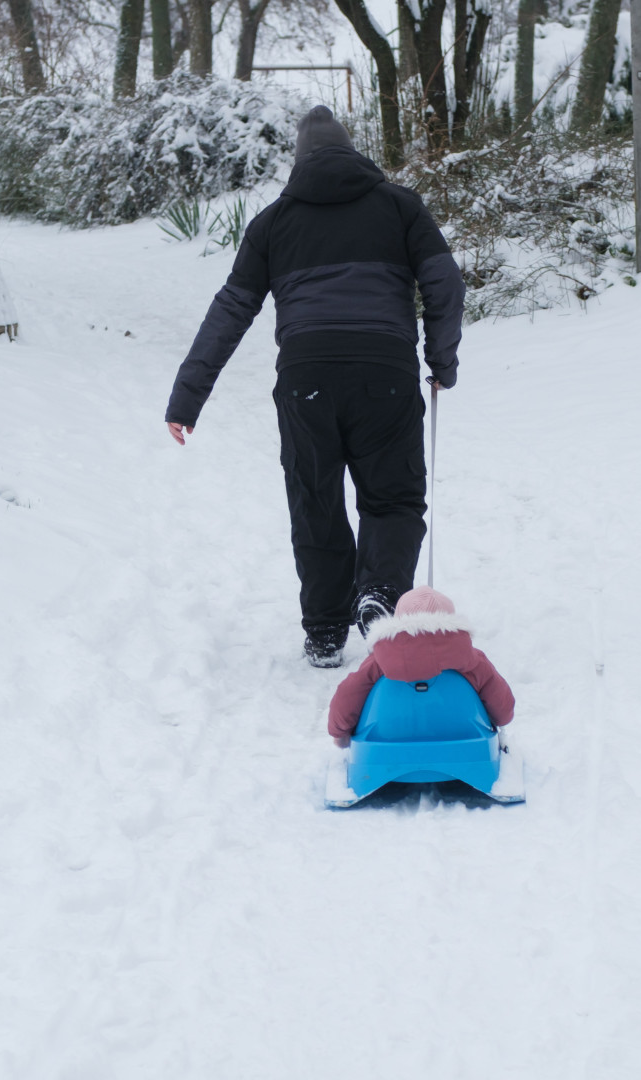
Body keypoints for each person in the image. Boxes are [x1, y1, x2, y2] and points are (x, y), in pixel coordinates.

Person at [164, 105, 465, 668]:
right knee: (392, 495)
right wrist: (440, 360)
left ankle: (326, 631)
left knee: (315, 500)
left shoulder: (273, 223)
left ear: (299, 161)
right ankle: (379, 592)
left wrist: (187, 399)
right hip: (387, 376)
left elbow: (230, 310)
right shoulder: (400, 207)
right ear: (353, 152)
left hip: (306, 379)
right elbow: (444, 282)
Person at [324, 587, 514, 747]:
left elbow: (348, 694)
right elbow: (502, 704)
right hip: (464, 739)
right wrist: (500, 720)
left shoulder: (378, 662)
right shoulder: (472, 661)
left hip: (387, 742)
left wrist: (340, 734)